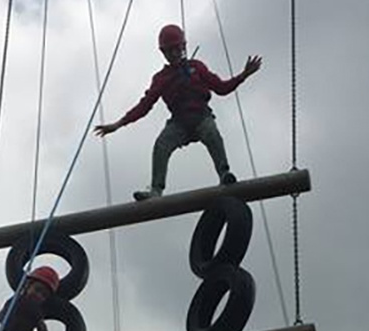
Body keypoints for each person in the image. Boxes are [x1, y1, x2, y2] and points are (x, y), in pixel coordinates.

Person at [94, 24, 262, 201]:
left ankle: (224, 174)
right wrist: (118, 124)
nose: (174, 53)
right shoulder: (161, 78)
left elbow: (221, 88)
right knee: (161, 145)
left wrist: (243, 75)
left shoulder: (197, 67)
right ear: (163, 53)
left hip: (201, 117)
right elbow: (144, 106)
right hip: (179, 123)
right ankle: (156, 190)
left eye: (177, 49)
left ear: (183, 47)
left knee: (212, 134)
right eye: (169, 50)